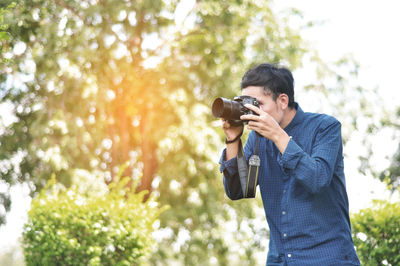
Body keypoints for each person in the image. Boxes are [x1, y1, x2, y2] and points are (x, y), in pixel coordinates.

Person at [218, 63, 360, 265]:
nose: (250, 111)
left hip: (328, 258)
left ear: (282, 100)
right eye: (244, 102)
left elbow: (317, 178)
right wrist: (233, 141)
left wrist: (277, 135)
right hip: (280, 259)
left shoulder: (325, 127)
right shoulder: (257, 140)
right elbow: (238, 190)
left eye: (256, 103)